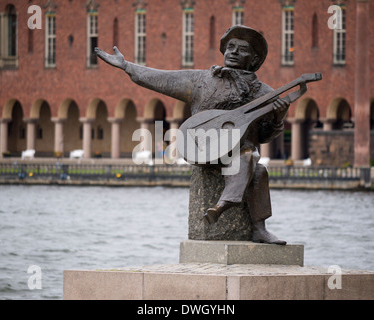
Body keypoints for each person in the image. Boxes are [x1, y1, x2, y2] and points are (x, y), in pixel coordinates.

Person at [95, 25, 288, 244]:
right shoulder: (201, 80)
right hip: (202, 149)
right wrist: (126, 66)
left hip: (239, 155)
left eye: (242, 49)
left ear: (253, 59)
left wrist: (278, 118)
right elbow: (159, 78)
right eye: (230, 47)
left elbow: (264, 136)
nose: (233, 52)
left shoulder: (265, 93)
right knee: (249, 157)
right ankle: (231, 201)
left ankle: (255, 227)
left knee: (257, 168)